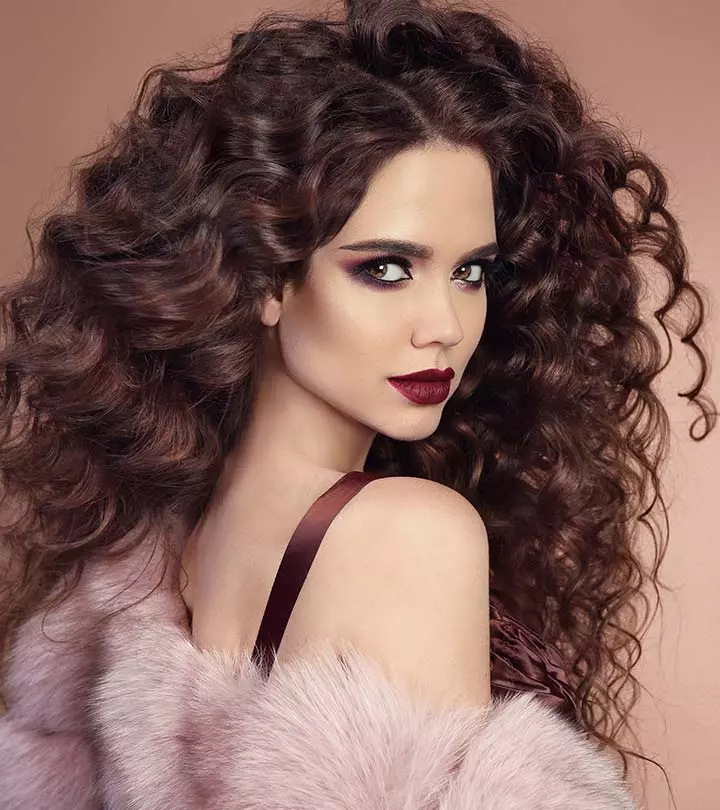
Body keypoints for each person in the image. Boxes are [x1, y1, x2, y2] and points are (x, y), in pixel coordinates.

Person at [0, 0, 715, 807]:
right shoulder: (409, 534)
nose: (445, 325)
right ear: (266, 279)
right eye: (386, 269)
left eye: (471, 272)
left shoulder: (176, 539)